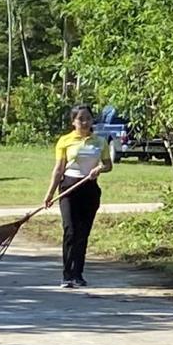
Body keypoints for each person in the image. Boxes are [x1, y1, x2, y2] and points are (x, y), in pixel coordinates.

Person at [44, 105, 112, 288]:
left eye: (88, 118)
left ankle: (78, 274)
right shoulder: (65, 141)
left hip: (89, 189)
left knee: (83, 232)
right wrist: (50, 193)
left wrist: (100, 168)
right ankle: (67, 275)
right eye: (80, 119)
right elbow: (58, 169)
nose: (85, 122)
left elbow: (108, 165)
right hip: (69, 188)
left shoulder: (100, 141)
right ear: (73, 121)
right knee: (70, 230)